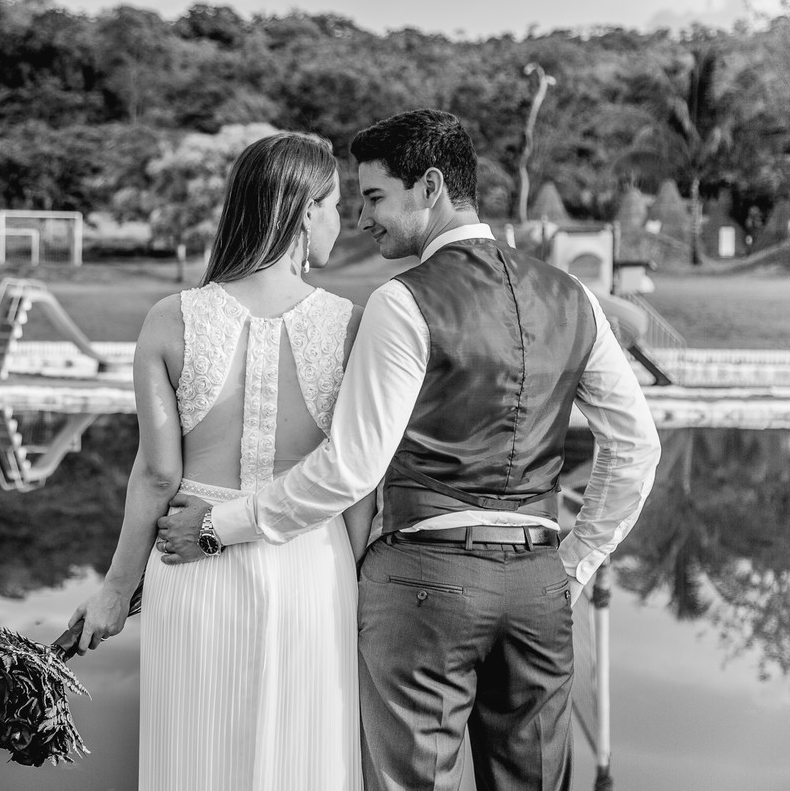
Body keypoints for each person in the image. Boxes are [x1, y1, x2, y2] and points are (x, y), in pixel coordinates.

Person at [157, 110, 662, 791]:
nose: (366, 218)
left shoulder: (403, 302)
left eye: (374, 197)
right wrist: (575, 564)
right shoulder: (572, 296)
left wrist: (219, 527)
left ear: (429, 187)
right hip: (539, 583)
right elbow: (635, 447)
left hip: (424, 584)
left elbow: (352, 468)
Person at [69, 132, 373, 791]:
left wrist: (117, 591)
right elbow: (355, 486)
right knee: (307, 760)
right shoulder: (350, 325)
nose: (343, 223)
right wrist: (353, 590)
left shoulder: (171, 319)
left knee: (195, 759)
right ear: (303, 212)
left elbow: (157, 475)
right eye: (337, 206)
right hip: (312, 571)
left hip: (190, 569)